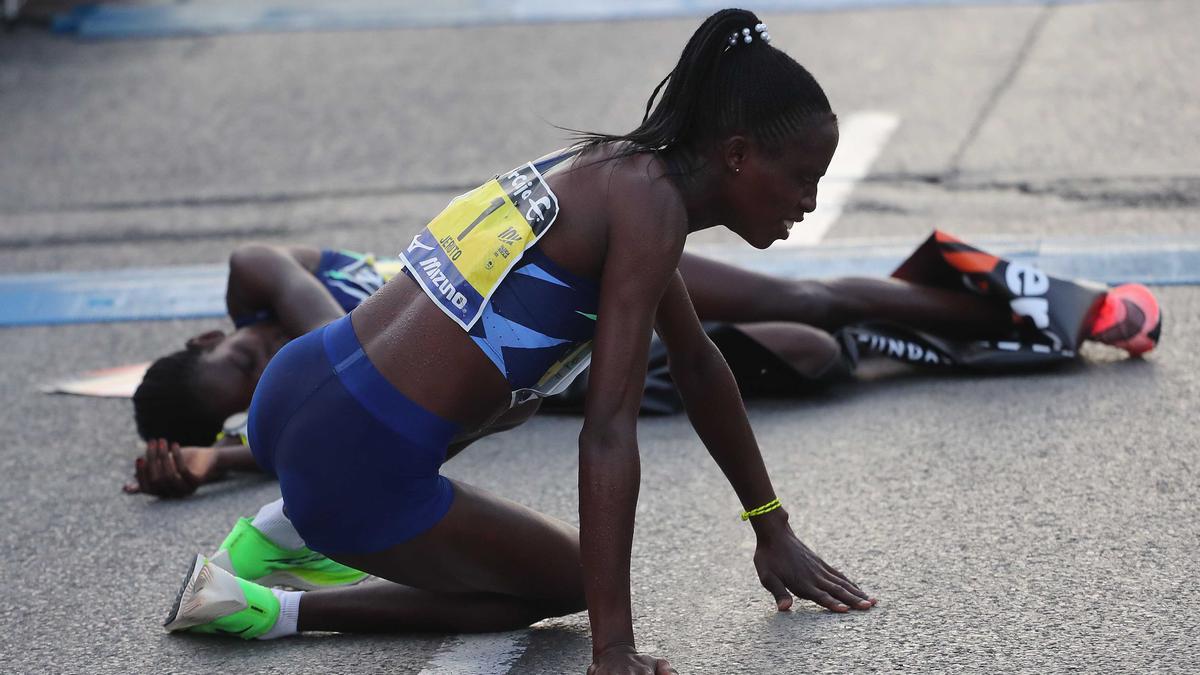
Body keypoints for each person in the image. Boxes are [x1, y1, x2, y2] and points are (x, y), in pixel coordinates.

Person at [163, 11, 875, 672]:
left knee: (506, 393)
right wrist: (613, 645)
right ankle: (268, 608)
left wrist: (769, 523)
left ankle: (281, 530)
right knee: (567, 579)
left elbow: (695, 361)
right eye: (804, 177)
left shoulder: (615, 170)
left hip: (298, 382)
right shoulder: (651, 209)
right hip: (354, 451)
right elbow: (606, 432)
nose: (809, 201)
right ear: (739, 155)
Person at [127, 242, 1161, 497]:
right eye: (254, 377)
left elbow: (269, 288)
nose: (269, 357)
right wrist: (231, 458)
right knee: (815, 350)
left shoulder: (290, 290)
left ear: (213, 335)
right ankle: (972, 323)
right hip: (587, 363)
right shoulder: (307, 401)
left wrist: (278, 382)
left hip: (562, 261)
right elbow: (333, 439)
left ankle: (1071, 309)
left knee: (808, 301)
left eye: (245, 354)